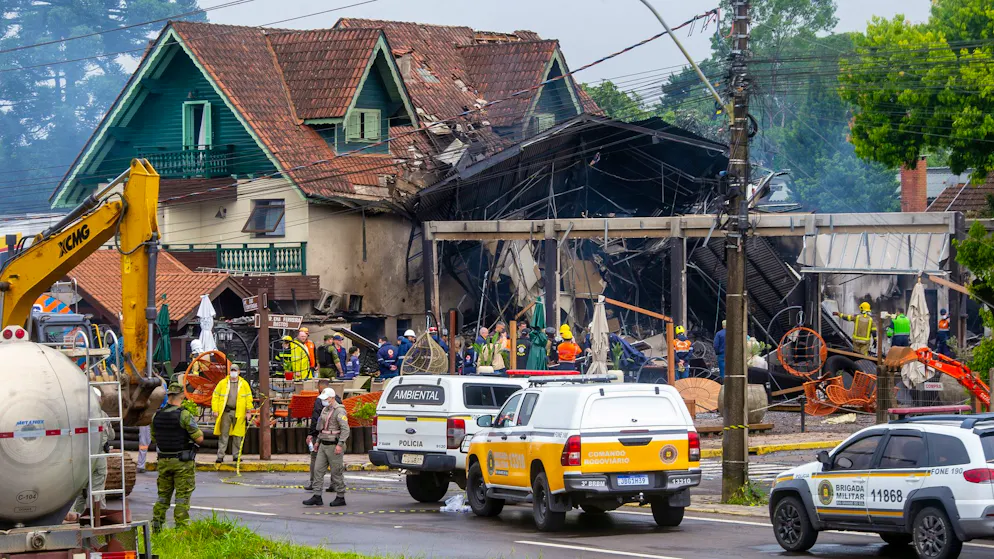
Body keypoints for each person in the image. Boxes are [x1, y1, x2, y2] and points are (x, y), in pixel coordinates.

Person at [151, 382, 204, 532]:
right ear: (182, 395)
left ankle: (156, 528)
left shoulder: (157, 415)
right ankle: (181, 530)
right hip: (182, 462)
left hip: (163, 461)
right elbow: (199, 438)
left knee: (162, 497)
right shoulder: (184, 414)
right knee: (182, 497)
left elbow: (154, 438)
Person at [69, 390, 116, 520]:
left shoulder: (78, 416)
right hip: (99, 458)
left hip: (81, 459)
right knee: (97, 492)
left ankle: (74, 519)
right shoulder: (103, 415)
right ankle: (97, 519)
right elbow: (112, 435)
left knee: (80, 492)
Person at [304, 388, 349, 507]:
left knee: (336, 472)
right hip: (323, 444)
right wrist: (317, 442)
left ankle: (340, 496)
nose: (323, 401)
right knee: (318, 470)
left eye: (326, 399)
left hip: (334, 445)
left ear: (332, 398)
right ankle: (317, 495)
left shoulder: (339, 411)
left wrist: (340, 444)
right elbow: (322, 428)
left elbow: (345, 430)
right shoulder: (325, 409)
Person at [211, 364, 253, 463]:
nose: (233, 372)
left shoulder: (244, 384)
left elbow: (248, 398)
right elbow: (215, 397)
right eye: (232, 370)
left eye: (235, 370)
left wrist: (248, 411)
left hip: (239, 412)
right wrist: (215, 410)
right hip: (226, 412)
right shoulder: (223, 383)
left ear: (239, 372)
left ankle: (236, 456)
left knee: (238, 435)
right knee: (223, 435)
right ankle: (220, 456)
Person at [304, 378, 331, 491]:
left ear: (320, 387)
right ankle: (335, 484)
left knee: (314, 458)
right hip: (334, 436)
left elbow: (316, 419)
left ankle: (313, 482)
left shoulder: (319, 400)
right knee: (334, 461)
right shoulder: (337, 399)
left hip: (320, 434)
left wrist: (311, 434)